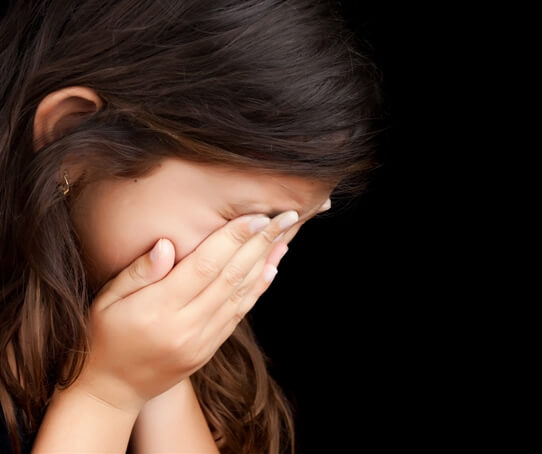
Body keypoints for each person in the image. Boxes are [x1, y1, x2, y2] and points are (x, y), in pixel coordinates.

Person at [0, 0, 382, 452]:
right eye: (248, 221)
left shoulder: (200, 359)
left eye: (288, 227)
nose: (252, 260)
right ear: (73, 137)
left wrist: (159, 375)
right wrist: (107, 394)